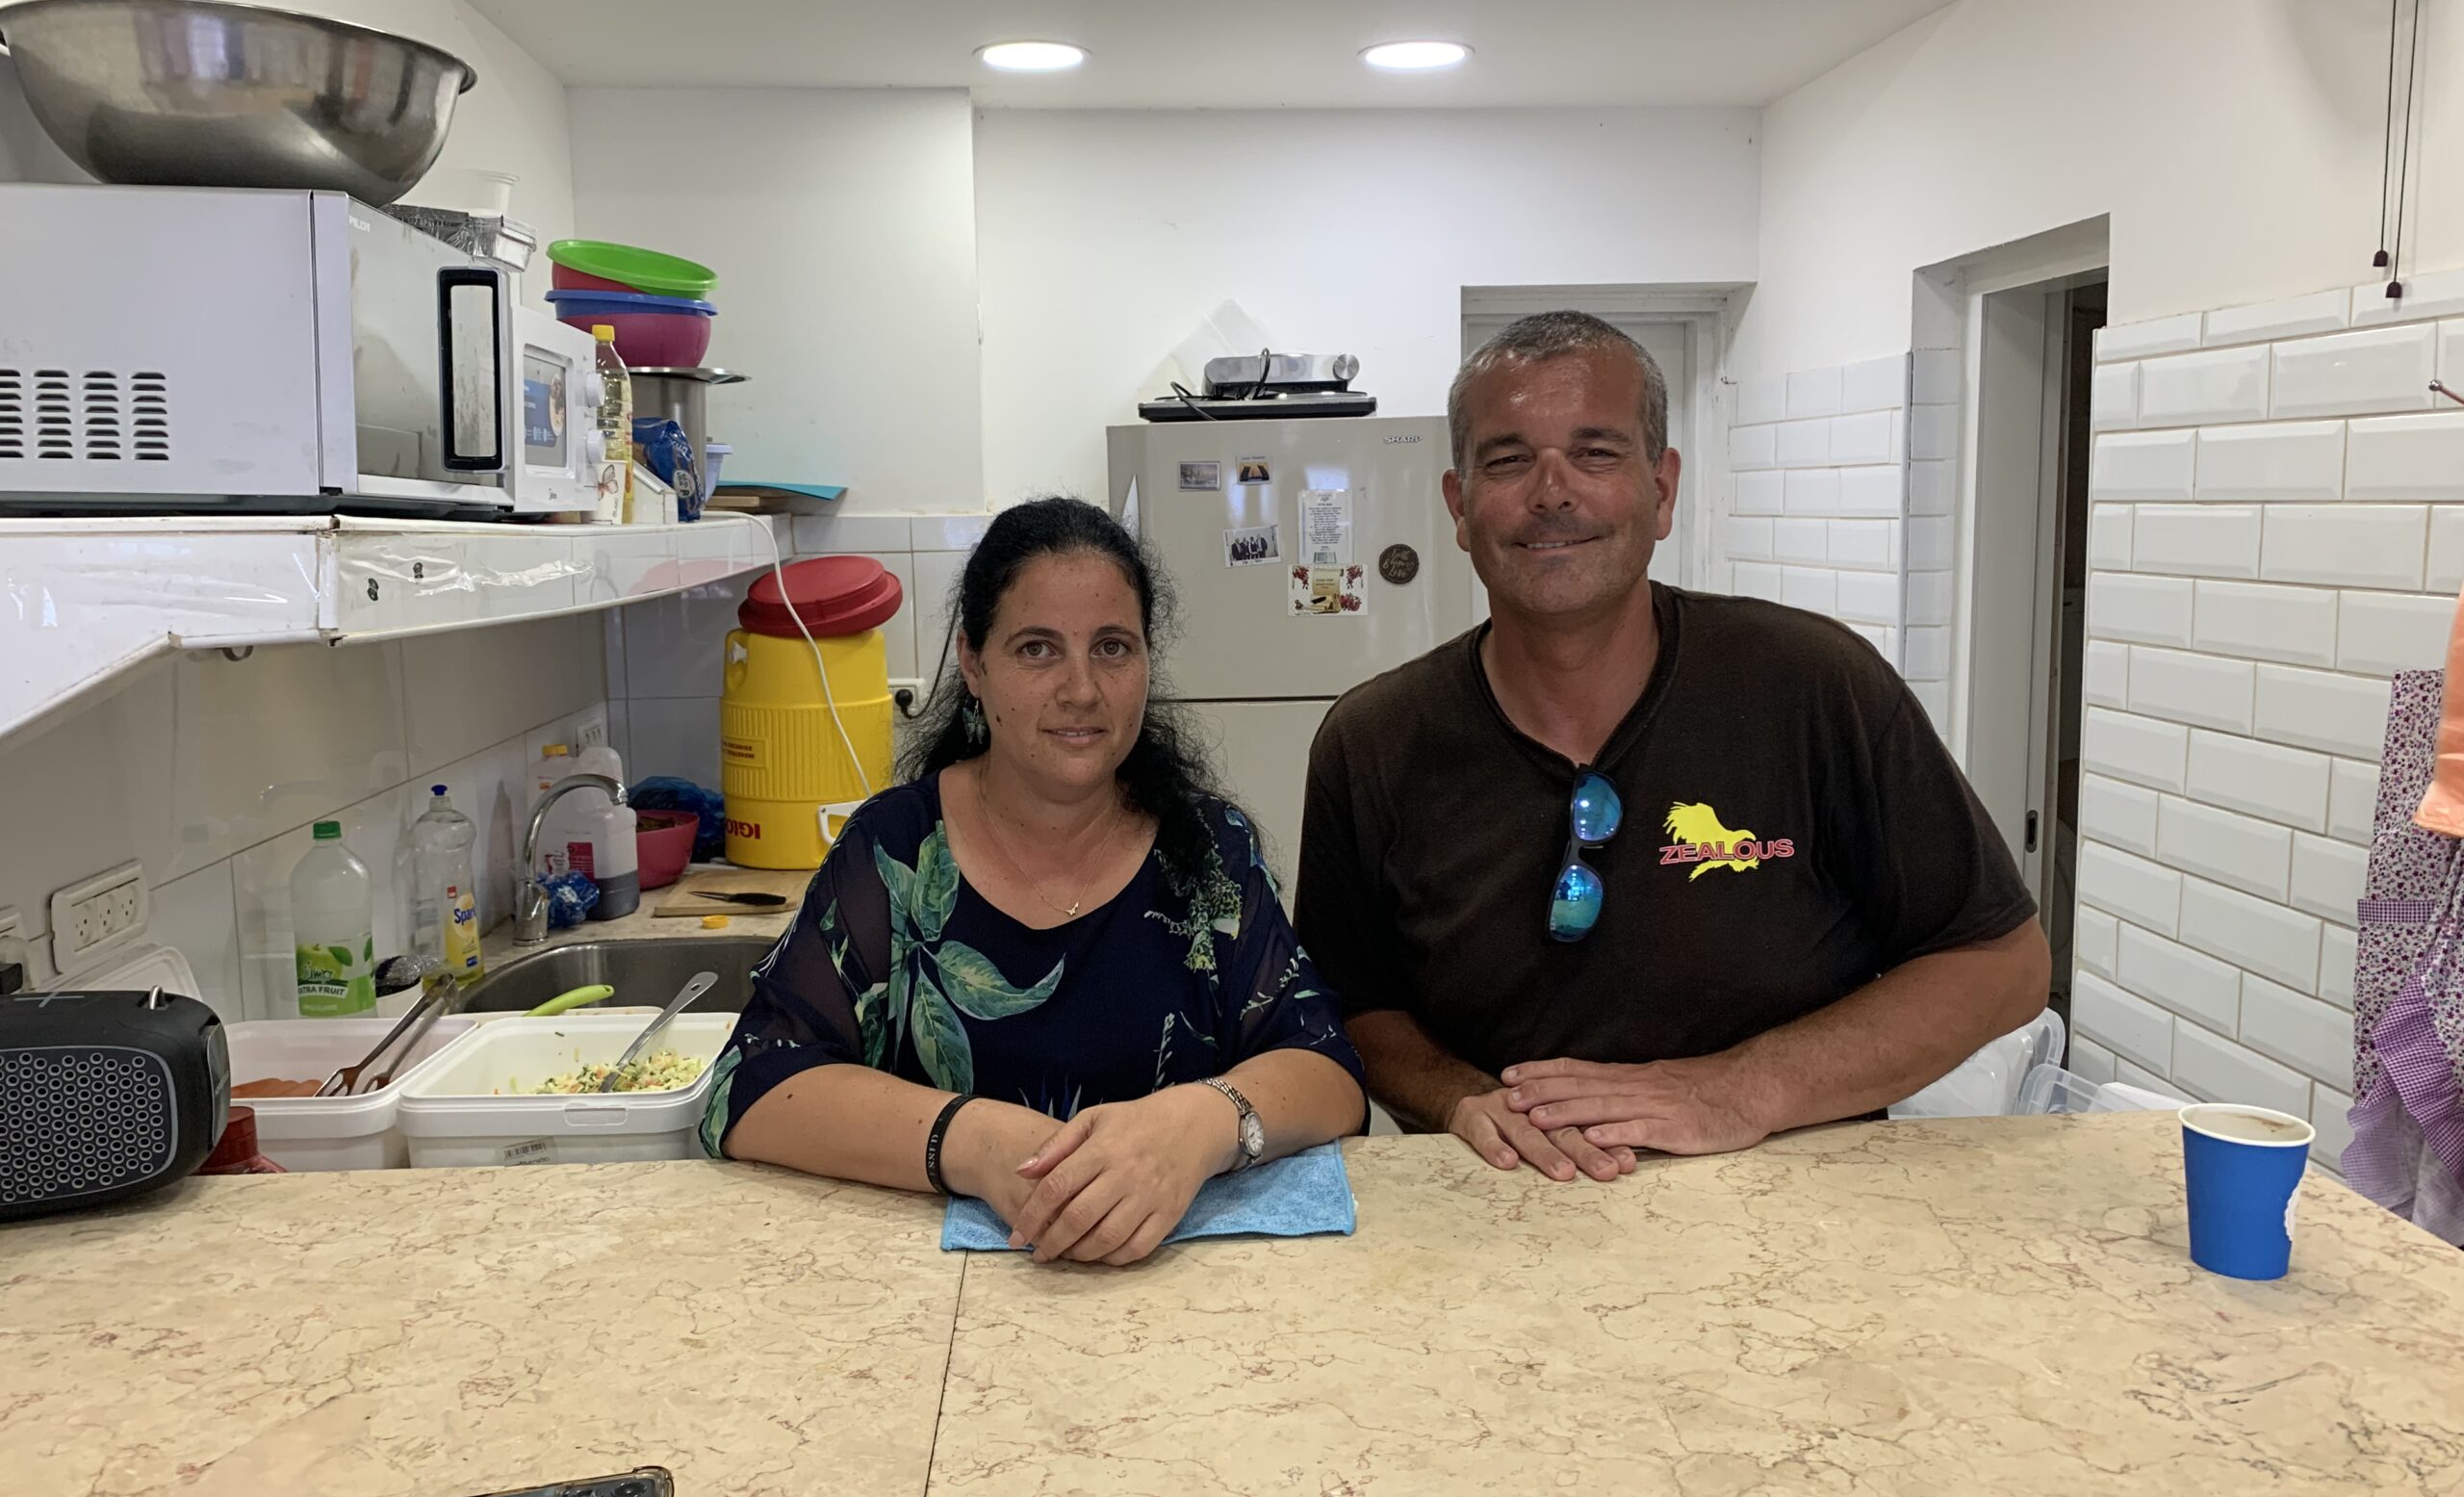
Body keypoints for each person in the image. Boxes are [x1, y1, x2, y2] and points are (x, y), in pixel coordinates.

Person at [1297, 312, 2049, 1183]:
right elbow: (1351, 1007)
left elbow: (2004, 963)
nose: (1552, 491)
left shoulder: (1814, 688)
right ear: (1460, 508)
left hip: (1808, 1225)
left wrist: (1741, 1090)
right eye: (1508, 459)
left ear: (1663, 490)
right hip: (1500, 1235)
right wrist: (1462, 1100)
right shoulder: (1374, 743)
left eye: (1597, 452)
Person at [705, 497, 1367, 1263]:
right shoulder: (896, 852)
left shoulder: (1209, 853)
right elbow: (751, 1086)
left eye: (1113, 648)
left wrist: (1203, 1122)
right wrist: (976, 1140)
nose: (1082, 689)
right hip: (933, 1320)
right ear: (973, 663)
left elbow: (1330, 1072)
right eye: (1037, 649)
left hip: (1184, 1319)